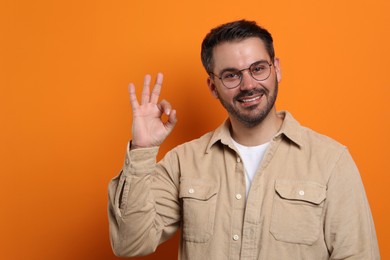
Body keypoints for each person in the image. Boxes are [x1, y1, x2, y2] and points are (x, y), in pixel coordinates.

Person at [108, 20, 380, 259]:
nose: (248, 85)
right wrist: (143, 149)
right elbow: (129, 243)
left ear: (277, 69)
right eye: (231, 75)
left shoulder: (331, 161)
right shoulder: (183, 162)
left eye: (258, 68)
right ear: (213, 87)